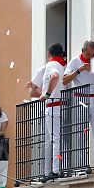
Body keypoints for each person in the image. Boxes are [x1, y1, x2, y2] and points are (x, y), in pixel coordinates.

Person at [64, 41, 94, 153]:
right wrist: (79, 70)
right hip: (80, 99)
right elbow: (65, 80)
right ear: (82, 51)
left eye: (93, 55)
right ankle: (82, 165)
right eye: (88, 55)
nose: (90, 58)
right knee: (81, 131)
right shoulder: (75, 61)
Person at [39, 43, 68, 178]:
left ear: (49, 54)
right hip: (58, 105)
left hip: (52, 106)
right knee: (51, 140)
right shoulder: (61, 66)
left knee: (54, 139)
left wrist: (47, 94)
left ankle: (55, 170)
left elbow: (54, 77)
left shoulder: (52, 65)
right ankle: (48, 170)